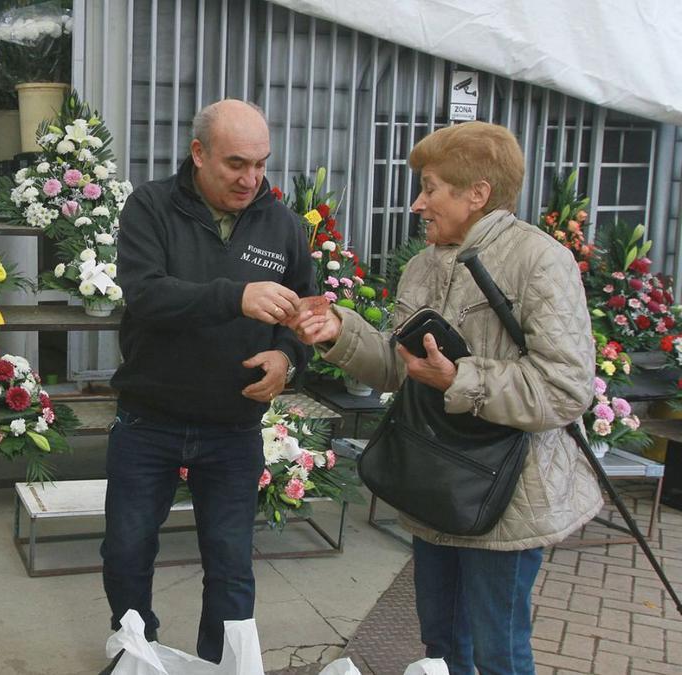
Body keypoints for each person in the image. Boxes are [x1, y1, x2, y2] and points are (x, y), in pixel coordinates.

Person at [295, 121, 602, 675]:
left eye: (430, 187)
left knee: (498, 653)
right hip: (435, 485)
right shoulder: (424, 264)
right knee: (441, 645)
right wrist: (338, 332)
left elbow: (566, 388)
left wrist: (460, 380)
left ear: (477, 193)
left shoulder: (540, 262)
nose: (418, 203)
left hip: (507, 500)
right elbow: (399, 366)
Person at [101, 99, 317, 668]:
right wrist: (236, 295)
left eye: (261, 164)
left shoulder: (284, 226)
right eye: (236, 164)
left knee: (229, 561)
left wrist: (287, 359)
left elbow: (307, 317)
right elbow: (145, 295)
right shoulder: (151, 208)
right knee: (126, 550)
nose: (251, 179)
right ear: (198, 154)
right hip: (150, 418)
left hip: (233, 425)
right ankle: (136, 655)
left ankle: (219, 663)